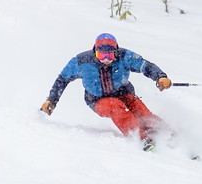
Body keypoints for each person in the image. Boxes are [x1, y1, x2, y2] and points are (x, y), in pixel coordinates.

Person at [40, 33, 173, 150]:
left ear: (116, 51)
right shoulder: (81, 62)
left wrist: (160, 76)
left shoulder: (124, 56)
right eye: (101, 55)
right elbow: (62, 80)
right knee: (116, 107)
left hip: (124, 93)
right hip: (97, 100)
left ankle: (168, 134)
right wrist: (51, 100)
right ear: (95, 51)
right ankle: (140, 137)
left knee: (141, 111)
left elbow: (145, 65)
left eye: (110, 55)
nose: (106, 59)